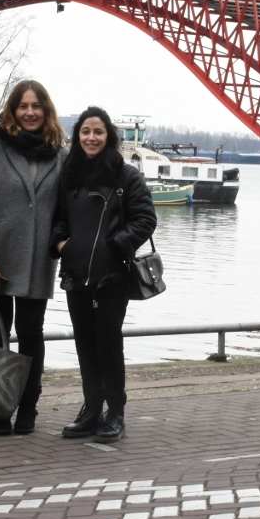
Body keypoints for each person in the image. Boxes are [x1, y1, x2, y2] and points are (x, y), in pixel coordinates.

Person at [50, 107, 156, 443]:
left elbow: (146, 219)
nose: (91, 138)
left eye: (98, 132)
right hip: (76, 276)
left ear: (108, 136)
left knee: (108, 345)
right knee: (84, 345)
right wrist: (63, 245)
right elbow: (58, 218)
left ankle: (116, 413)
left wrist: (114, 246)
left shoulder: (126, 176)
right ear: (77, 136)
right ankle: (92, 410)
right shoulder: (69, 175)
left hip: (112, 277)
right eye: (85, 132)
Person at [0, 80, 67, 436]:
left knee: (31, 334)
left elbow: (66, 210)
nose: (29, 113)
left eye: (36, 106)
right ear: (13, 110)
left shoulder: (60, 155)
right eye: (23, 106)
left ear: (46, 110)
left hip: (38, 260)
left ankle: (28, 406)